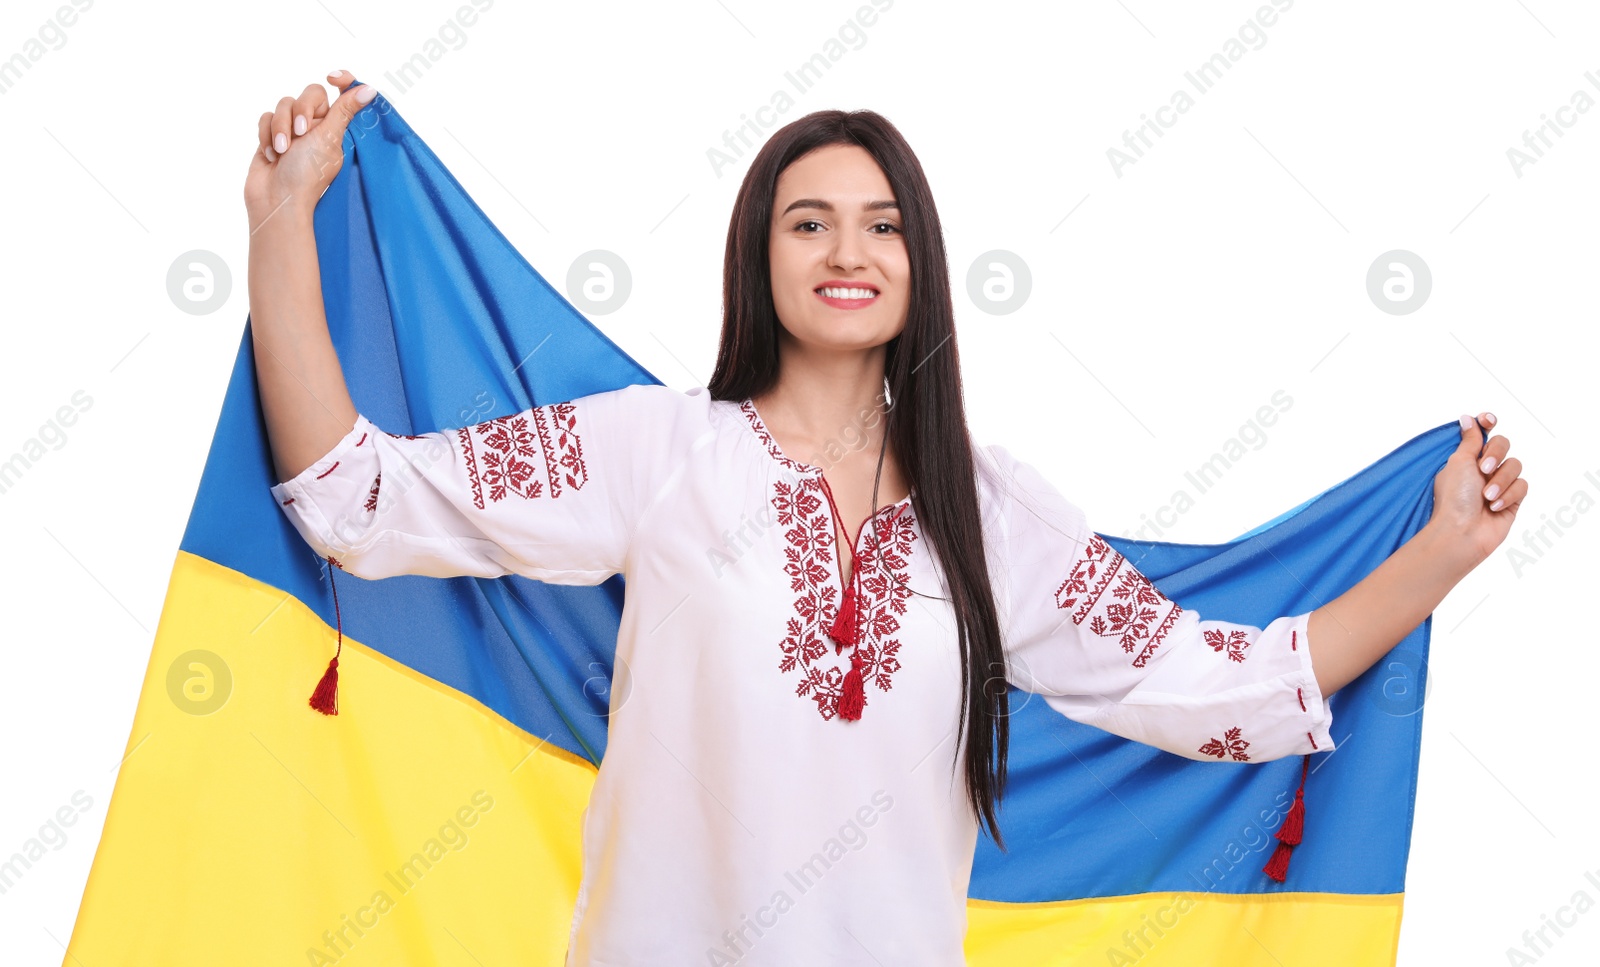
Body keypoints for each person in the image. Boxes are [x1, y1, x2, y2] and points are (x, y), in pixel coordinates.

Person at [246, 70, 1529, 966]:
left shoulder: (993, 510)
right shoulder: (655, 448)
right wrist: (280, 222)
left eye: (881, 224)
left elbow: (1217, 689)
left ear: (920, 267)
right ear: (760, 253)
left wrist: (1442, 555)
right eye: (808, 221)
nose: (844, 250)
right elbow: (353, 499)